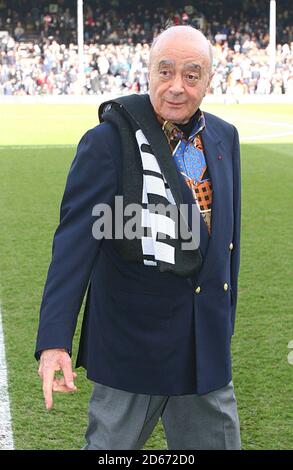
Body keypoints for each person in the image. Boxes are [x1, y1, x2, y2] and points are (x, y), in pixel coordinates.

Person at [36, 25, 241, 450]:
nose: (176, 87)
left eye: (191, 74)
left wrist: (223, 323)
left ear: (209, 80)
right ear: (146, 73)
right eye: (165, 72)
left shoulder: (224, 137)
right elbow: (74, 244)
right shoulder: (108, 142)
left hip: (204, 349)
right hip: (133, 346)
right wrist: (55, 340)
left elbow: (227, 241)